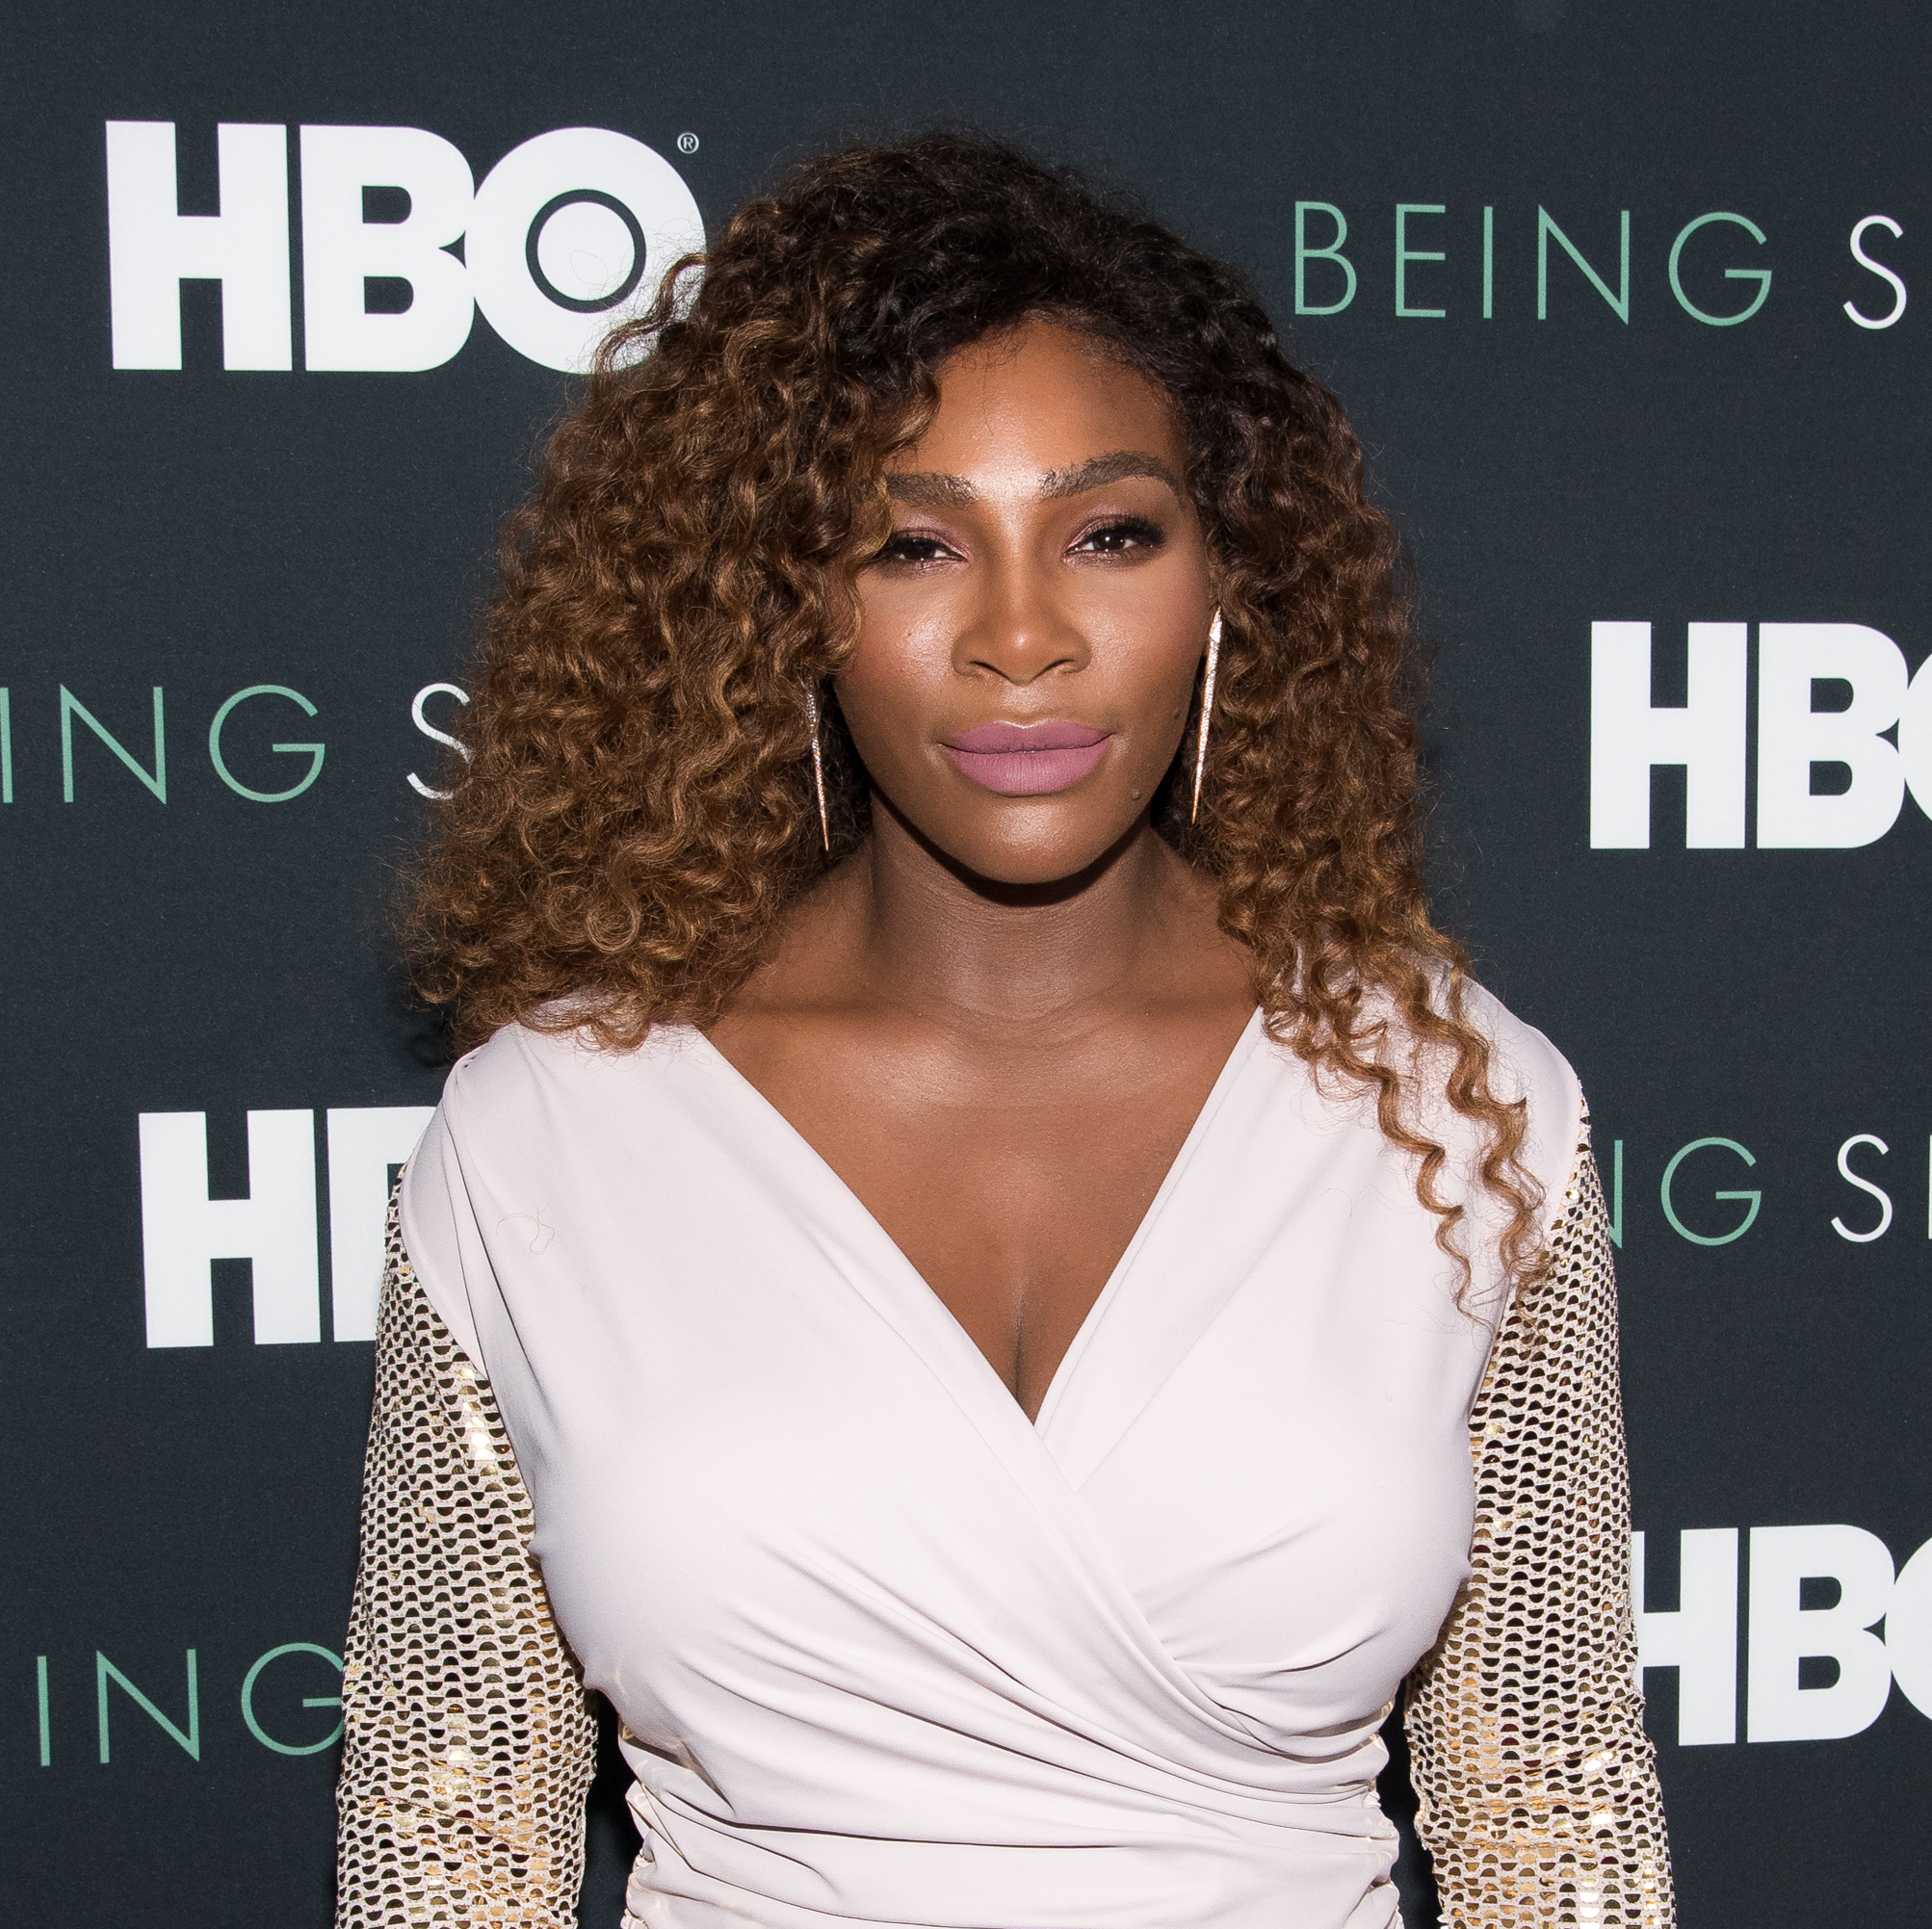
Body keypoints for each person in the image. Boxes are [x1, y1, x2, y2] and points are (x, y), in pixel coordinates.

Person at [335, 132, 1672, 1929]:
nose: (1023, 637)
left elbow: (1553, 1808)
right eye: (913, 543)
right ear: (788, 603)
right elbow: (450, 1830)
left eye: (1110, 533)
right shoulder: (549, 1133)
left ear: (1228, 582)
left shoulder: (1462, 1109)